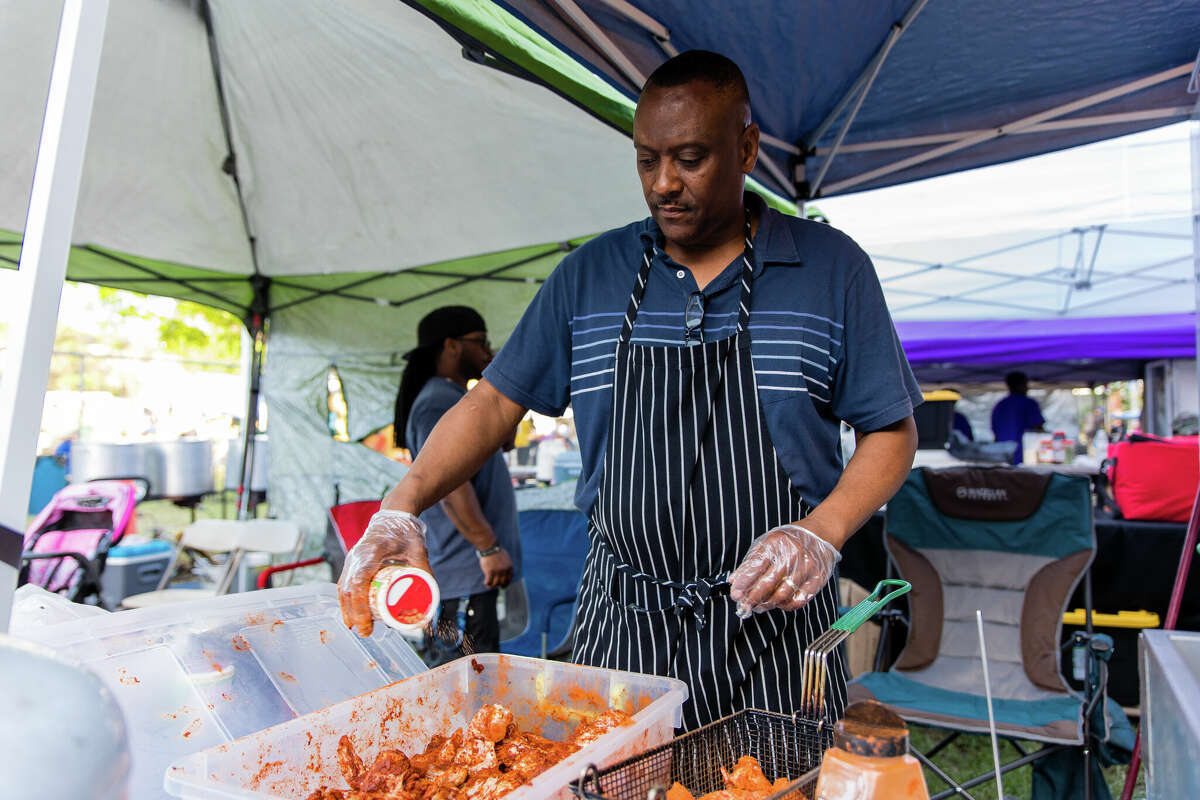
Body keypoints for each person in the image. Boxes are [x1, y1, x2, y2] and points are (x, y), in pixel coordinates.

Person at [340, 51, 920, 730]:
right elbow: (494, 402)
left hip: (778, 626)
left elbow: (892, 428)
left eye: (691, 158)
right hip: (624, 624)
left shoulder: (831, 268)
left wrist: (822, 534)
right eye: (648, 160)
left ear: (748, 148)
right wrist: (402, 505)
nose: (665, 184)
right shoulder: (590, 275)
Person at [389, 306, 521, 664]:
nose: (487, 351)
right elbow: (450, 487)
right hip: (465, 574)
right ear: (451, 346)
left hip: (470, 574)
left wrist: (500, 377)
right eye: (480, 342)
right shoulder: (438, 403)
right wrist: (488, 548)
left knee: (475, 686)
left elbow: (504, 440)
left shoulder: (456, 398)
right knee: (467, 690)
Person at [991, 371, 1044, 464]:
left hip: (1003, 458)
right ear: (1021, 385)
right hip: (1025, 458)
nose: (1027, 388)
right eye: (1025, 384)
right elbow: (1038, 429)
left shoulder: (999, 405)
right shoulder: (1029, 403)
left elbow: (995, 434)